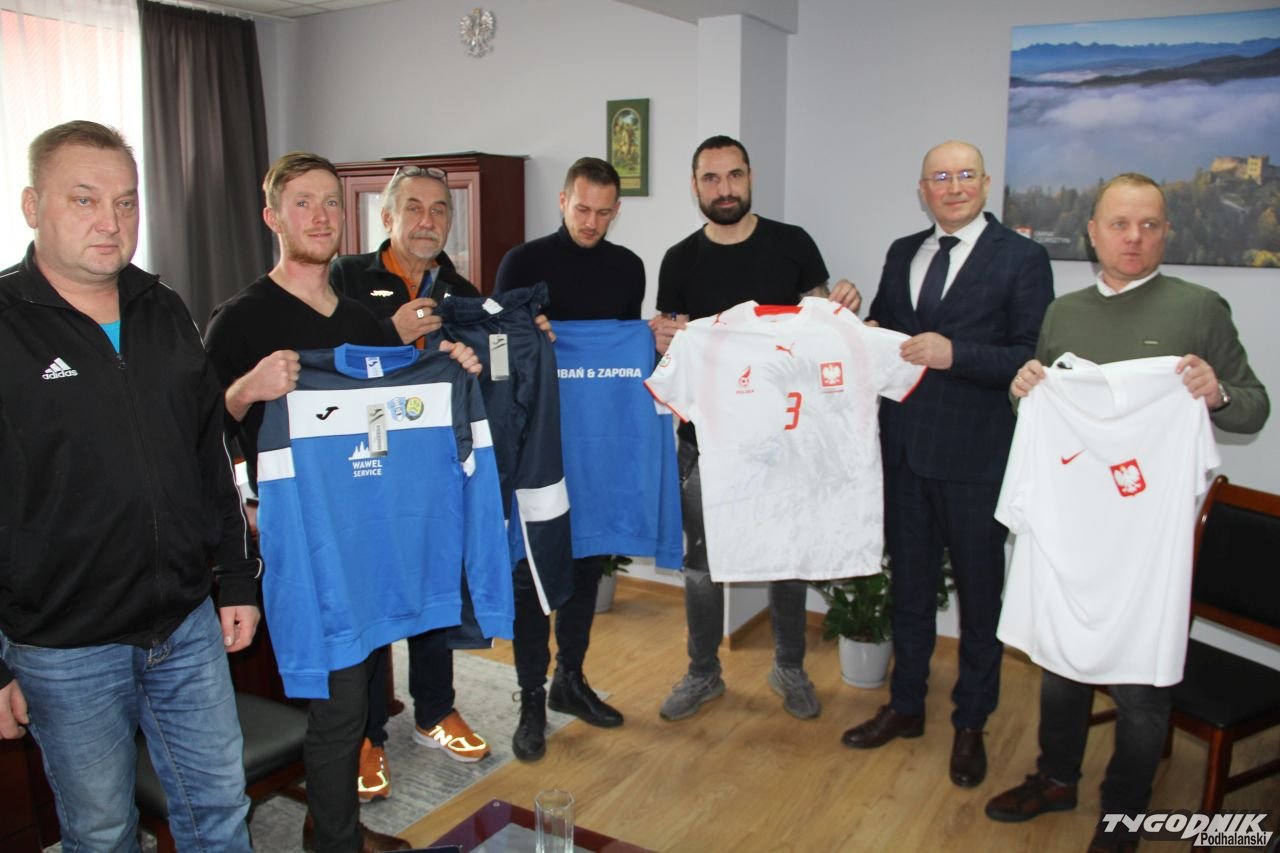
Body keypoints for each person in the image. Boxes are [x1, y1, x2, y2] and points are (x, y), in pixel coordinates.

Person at [205, 151, 480, 853]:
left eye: (331, 201)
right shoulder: (239, 320)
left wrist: (453, 370)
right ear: (273, 217)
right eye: (302, 202)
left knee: (355, 694)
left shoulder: (362, 319)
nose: (321, 215)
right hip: (300, 538)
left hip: (365, 528)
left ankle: (332, 827)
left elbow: (395, 409)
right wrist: (246, 390)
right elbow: (197, 432)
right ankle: (334, 839)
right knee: (338, 699)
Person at [986, 172, 1268, 853]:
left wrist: (1218, 393)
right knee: (1060, 660)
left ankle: (1124, 814)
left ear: (1167, 232)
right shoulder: (1064, 314)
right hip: (1073, 526)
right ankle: (1057, 777)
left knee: (1140, 682)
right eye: (1120, 224)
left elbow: (1254, 407)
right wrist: (1023, 390)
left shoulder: (1199, 309)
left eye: (1149, 225)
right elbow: (1040, 412)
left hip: (1147, 538)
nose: (1134, 238)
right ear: (1093, 233)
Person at [0, 120, 260, 851]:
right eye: (84, 200)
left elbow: (209, 454)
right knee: (103, 831)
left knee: (221, 808)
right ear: (32, 205)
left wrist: (237, 579)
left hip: (184, 623)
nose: (111, 222)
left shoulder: (162, 306)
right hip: (64, 646)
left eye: (125, 201)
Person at [842, 140, 1054, 789]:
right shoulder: (902, 251)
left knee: (979, 601)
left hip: (976, 457)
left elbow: (1030, 355)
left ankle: (971, 723)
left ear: (985, 184)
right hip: (904, 452)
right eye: (940, 176)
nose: (953, 186)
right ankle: (906, 705)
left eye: (965, 174)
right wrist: (857, 323)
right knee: (909, 591)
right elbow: (889, 333)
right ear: (923, 189)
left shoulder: (1022, 258)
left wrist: (954, 353)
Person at [650, 135, 862, 722]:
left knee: (786, 557)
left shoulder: (793, 245)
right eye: (711, 178)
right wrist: (663, 339)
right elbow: (671, 346)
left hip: (784, 438)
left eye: (734, 175)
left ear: (750, 178)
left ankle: (789, 667)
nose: (725, 189)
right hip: (705, 441)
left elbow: (822, 328)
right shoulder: (679, 259)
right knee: (701, 565)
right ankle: (702, 673)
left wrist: (843, 309)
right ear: (695, 185)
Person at [330, 166, 490, 800]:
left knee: (433, 578)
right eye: (415, 208)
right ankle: (366, 732)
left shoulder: (461, 290)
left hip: (432, 460)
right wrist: (387, 332)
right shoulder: (345, 277)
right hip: (364, 459)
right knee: (371, 588)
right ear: (388, 217)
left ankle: (434, 711)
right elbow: (324, 355)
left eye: (440, 210)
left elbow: (484, 369)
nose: (428, 220)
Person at [492, 156, 641, 761]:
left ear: (617, 211)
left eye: (604, 213)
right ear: (562, 201)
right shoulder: (522, 263)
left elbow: (622, 356)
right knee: (531, 570)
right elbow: (499, 349)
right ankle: (530, 695)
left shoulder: (628, 268)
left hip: (598, 439)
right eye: (582, 209)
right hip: (537, 439)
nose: (591, 222)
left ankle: (569, 679)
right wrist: (529, 333)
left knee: (587, 561)